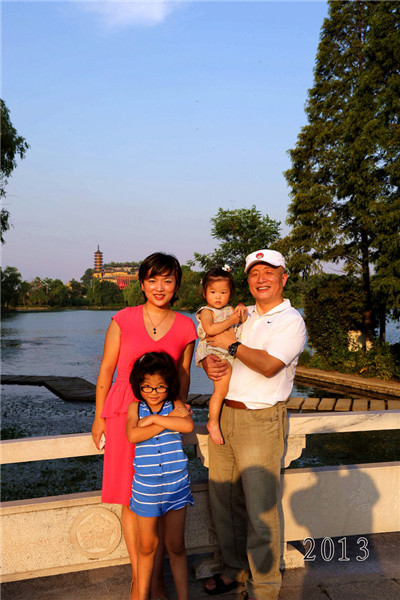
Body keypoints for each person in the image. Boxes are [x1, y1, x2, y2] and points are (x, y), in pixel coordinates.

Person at [91, 252, 197, 600]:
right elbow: (106, 371)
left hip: (163, 414)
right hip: (124, 410)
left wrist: (180, 405)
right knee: (128, 496)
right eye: (152, 280)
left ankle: (156, 580)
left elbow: (182, 374)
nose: (160, 287)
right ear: (142, 284)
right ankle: (142, 579)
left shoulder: (185, 326)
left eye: (167, 280)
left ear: (177, 284)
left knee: (157, 490)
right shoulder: (123, 319)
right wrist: (98, 418)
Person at [201, 249, 306, 600]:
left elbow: (268, 365)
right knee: (224, 504)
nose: (261, 279)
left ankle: (264, 588)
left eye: (269, 272)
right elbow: (213, 346)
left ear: (283, 278)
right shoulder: (241, 315)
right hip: (226, 415)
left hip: (260, 420)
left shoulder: (291, 320)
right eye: (254, 273)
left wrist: (232, 344)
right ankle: (233, 570)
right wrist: (208, 366)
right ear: (247, 280)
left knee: (261, 510)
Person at [127, 352, 194, 600]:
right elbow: (132, 435)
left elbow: (186, 426)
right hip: (146, 488)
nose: (153, 392)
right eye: (147, 386)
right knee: (147, 547)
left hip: (176, 485)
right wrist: (167, 421)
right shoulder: (135, 407)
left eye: (160, 387)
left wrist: (155, 418)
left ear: (169, 385)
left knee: (176, 545)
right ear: (138, 384)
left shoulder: (176, 405)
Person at [195, 266, 247, 445]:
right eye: (213, 292)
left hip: (228, 350)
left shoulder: (229, 309)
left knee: (228, 386)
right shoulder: (206, 311)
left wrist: (240, 308)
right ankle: (213, 422)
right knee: (221, 389)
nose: (218, 296)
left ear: (230, 294)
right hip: (214, 351)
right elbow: (209, 329)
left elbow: (243, 320)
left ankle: (217, 418)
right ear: (204, 294)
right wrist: (231, 320)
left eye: (223, 292)